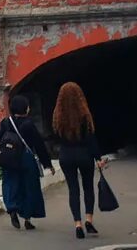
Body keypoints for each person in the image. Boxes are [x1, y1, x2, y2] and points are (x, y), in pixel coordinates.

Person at [52, 82, 105, 239]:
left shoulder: (58, 116)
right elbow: (91, 139)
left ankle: (77, 224)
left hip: (66, 156)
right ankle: (89, 219)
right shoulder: (84, 115)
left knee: (73, 190)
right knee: (88, 187)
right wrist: (98, 158)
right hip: (84, 155)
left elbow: (56, 137)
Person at [0, 94, 53, 230]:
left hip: (8, 159)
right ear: (25, 109)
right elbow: (39, 145)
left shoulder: (6, 122)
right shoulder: (28, 124)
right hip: (25, 159)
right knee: (29, 187)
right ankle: (27, 219)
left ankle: (12, 208)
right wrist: (47, 163)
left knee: (9, 183)